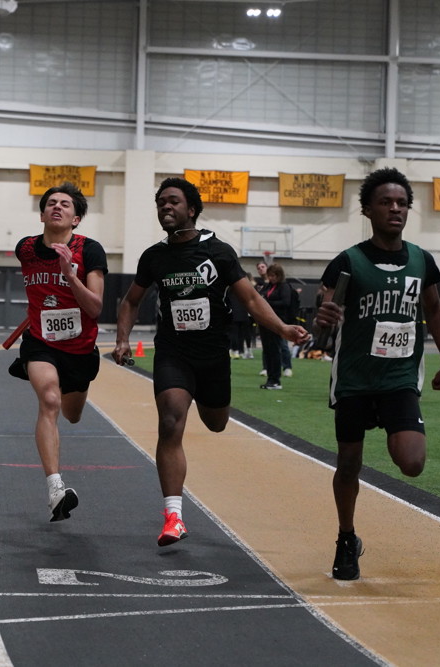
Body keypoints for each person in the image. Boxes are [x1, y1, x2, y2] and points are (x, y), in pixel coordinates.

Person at [113, 177, 308, 547]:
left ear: (192, 209)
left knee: (216, 423)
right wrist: (123, 339)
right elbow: (131, 301)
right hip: (173, 352)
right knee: (170, 421)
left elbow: (250, 299)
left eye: (173, 201)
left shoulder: (218, 252)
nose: (165, 207)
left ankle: (208, 402)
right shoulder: (154, 257)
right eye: (160, 202)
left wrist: (283, 329)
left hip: (213, 355)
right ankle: (173, 516)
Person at [313, 167, 440, 581]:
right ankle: (346, 537)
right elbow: (324, 318)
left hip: (399, 378)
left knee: (412, 462)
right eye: (386, 202)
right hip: (355, 378)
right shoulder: (348, 262)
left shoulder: (421, 261)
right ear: (367, 210)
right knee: (349, 462)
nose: (395, 209)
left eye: (402, 203)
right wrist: (322, 317)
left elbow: (434, 310)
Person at [11, 182, 107, 522]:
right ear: (42, 215)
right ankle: (55, 489)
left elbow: (95, 308)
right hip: (41, 343)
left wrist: (69, 275)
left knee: (72, 413)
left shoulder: (90, 250)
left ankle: (74, 390)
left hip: (79, 349)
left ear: (76, 219)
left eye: (65, 204)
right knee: (49, 401)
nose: (57, 206)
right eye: (51, 202)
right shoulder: (25, 248)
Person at [259, 262, 297, 389]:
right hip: (265, 321)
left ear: (279, 275)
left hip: (277, 321)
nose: (270, 278)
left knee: (275, 350)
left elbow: (285, 302)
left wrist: (268, 303)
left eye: (273, 275)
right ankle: (270, 378)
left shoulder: (284, 287)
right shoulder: (268, 286)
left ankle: (275, 379)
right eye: (269, 275)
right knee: (268, 350)